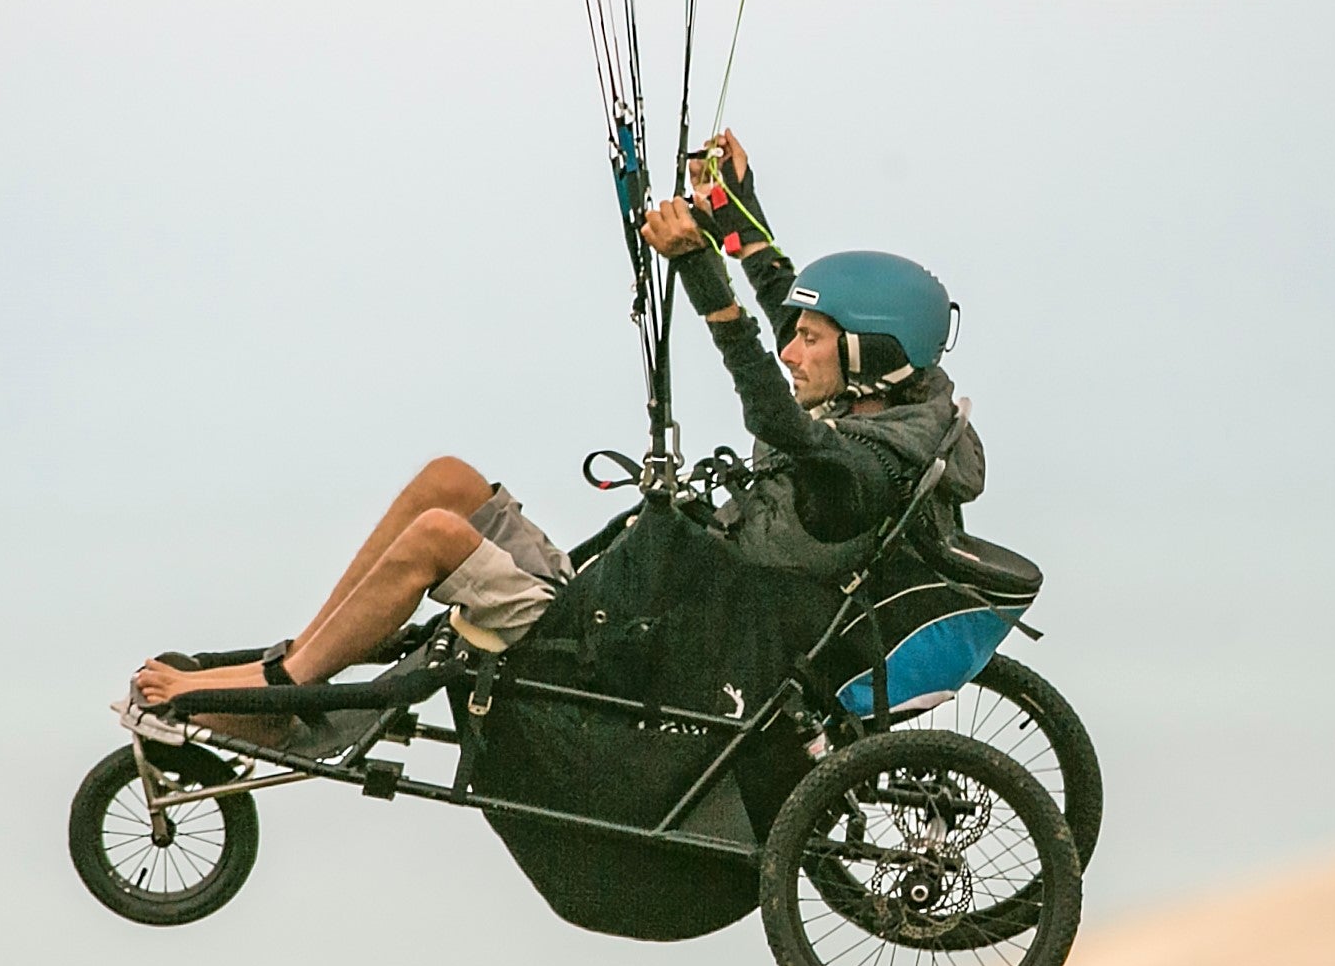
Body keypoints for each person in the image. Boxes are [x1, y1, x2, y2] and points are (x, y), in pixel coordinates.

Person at [127, 131, 981, 715]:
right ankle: (311, 647)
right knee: (447, 481)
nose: (793, 351)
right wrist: (736, 213)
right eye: (795, 336)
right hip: (636, 598)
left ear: (866, 354)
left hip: (639, 649)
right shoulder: (885, 399)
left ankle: (287, 696)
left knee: (435, 535)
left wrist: (695, 273)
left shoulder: (868, 462)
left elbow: (771, 409)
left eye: (811, 341)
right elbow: (787, 308)